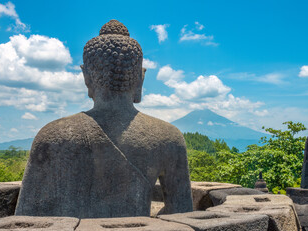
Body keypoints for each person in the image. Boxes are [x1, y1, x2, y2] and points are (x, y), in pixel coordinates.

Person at [15, 20, 193, 218]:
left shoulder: (52, 135)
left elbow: (25, 220)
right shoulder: (168, 138)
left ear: (86, 77)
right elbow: (182, 214)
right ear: (140, 78)